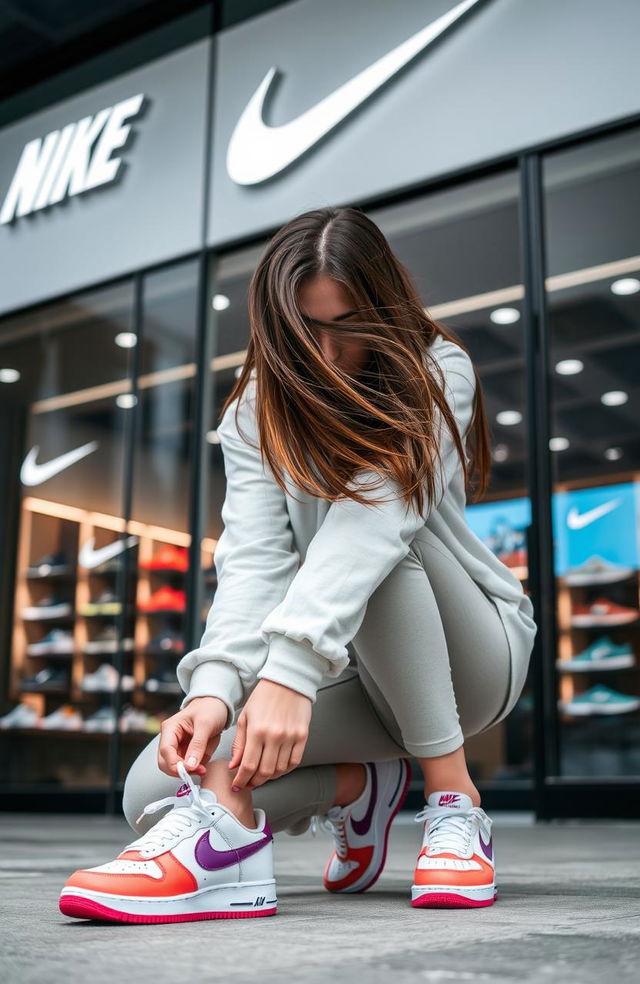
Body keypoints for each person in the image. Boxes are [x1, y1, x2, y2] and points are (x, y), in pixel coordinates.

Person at [59, 206, 537, 923]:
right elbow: (252, 561)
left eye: (342, 325)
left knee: (374, 539)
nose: (321, 351)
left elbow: (376, 518)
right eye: (301, 331)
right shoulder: (253, 413)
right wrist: (214, 694)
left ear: (380, 310)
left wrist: (289, 671)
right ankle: (357, 788)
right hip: (352, 673)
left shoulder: (439, 368)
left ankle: (453, 799)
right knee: (156, 794)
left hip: (471, 658)